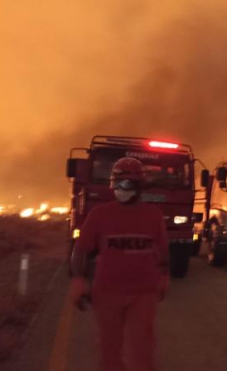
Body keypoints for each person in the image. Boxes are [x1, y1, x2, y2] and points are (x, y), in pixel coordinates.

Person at [70, 157, 170, 371]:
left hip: (143, 293)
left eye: (127, 184)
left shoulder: (153, 215)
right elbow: (80, 250)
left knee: (142, 349)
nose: (121, 189)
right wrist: (79, 280)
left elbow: (162, 249)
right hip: (106, 293)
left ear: (139, 187)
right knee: (109, 350)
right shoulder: (100, 215)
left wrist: (164, 275)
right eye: (118, 184)